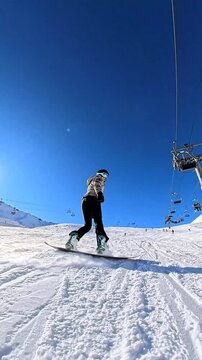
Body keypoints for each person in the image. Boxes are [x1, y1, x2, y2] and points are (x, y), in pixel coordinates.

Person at [65, 169, 109, 253]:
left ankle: (73, 239)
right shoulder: (97, 178)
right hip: (94, 200)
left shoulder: (91, 180)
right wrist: (99, 193)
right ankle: (101, 245)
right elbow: (97, 184)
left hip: (85, 201)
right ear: (99, 174)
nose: (105, 177)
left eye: (106, 175)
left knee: (87, 226)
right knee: (98, 223)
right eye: (104, 174)